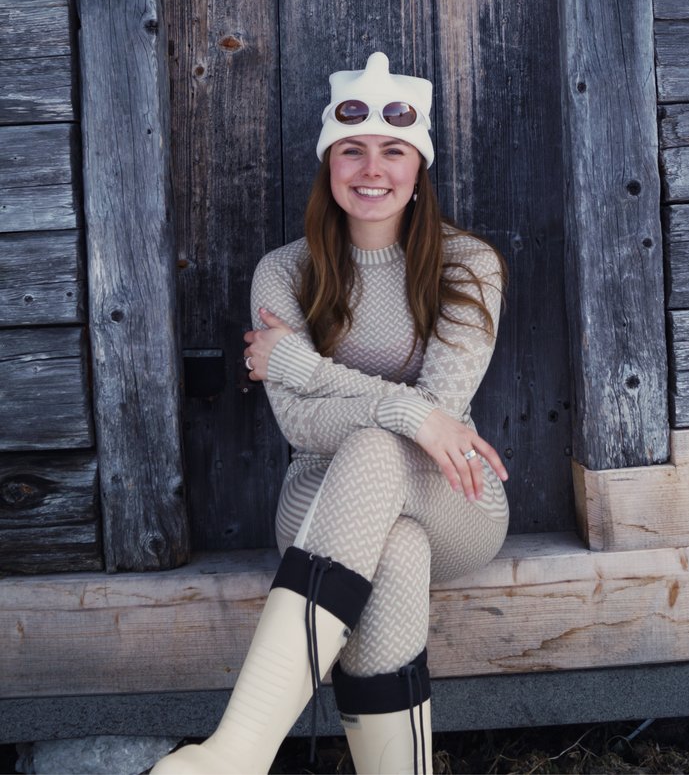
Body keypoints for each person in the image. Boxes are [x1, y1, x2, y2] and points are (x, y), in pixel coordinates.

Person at [152, 51, 510, 775]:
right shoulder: (285, 272)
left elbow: (441, 420)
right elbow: (301, 425)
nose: (372, 169)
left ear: (419, 166)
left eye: (393, 151)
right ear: (328, 163)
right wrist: (406, 411)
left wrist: (300, 365)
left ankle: (236, 753)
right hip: (319, 499)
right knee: (395, 548)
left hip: (453, 494)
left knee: (381, 449)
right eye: (352, 150)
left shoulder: (468, 265)